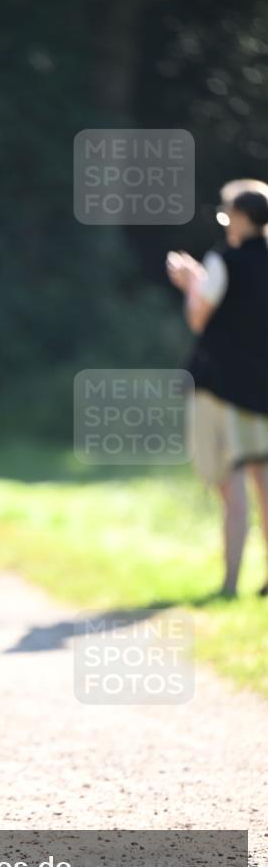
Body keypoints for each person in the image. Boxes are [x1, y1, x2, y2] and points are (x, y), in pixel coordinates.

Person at [166, 179, 268, 598]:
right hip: (264, 389)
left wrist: (192, 283)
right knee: (264, 482)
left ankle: (229, 583)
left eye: (227, 214)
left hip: (223, 386)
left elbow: (198, 318)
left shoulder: (223, 259)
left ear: (241, 218)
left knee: (232, 483)